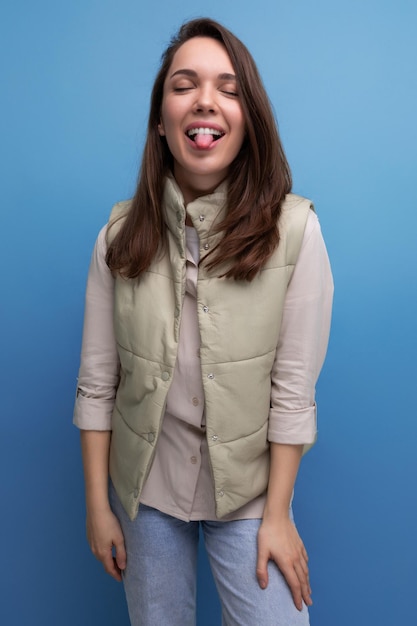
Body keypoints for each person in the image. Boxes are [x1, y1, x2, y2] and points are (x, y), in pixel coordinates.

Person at [73, 17, 333, 626]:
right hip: (147, 490)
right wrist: (97, 506)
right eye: (183, 85)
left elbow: (293, 393)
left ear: (250, 118)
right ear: (160, 120)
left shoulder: (297, 231)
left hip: (248, 495)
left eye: (229, 88)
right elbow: (96, 384)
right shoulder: (117, 233)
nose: (205, 102)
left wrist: (277, 515)